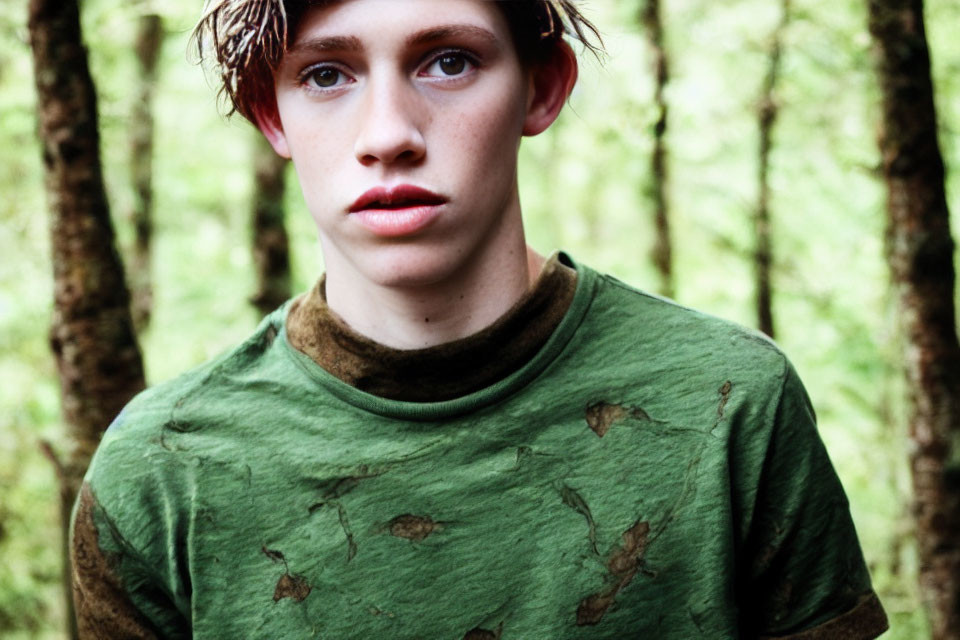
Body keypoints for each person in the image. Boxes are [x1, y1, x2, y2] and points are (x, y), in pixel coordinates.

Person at [70, 0, 889, 638]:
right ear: (272, 115)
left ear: (542, 86)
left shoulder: (731, 404)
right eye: (326, 74)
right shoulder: (162, 474)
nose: (388, 135)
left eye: (449, 61)